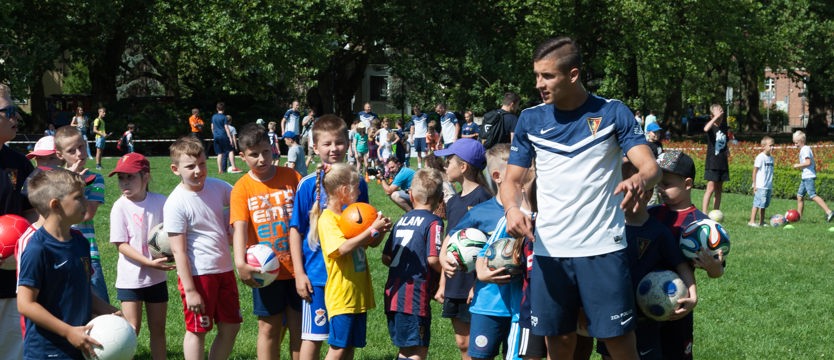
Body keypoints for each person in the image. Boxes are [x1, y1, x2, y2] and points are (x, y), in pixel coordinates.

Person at [501, 36, 660, 360]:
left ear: (573, 74)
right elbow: (511, 180)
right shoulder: (531, 119)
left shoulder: (613, 112)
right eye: (536, 75)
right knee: (559, 341)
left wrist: (639, 179)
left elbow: (650, 166)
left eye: (548, 76)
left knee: (618, 342)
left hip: (603, 249)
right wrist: (511, 208)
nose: (538, 84)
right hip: (549, 251)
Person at [289, 115, 372, 360]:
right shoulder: (307, 185)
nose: (333, 148)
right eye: (326, 144)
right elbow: (296, 230)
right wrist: (299, 273)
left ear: (348, 143)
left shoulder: (358, 183)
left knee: (345, 341)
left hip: (348, 277)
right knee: (313, 337)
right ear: (315, 147)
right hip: (317, 276)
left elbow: (363, 226)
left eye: (338, 142)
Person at [596, 160, 697, 360]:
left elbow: (680, 264)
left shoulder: (658, 232)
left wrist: (692, 295)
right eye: (619, 189)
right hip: (612, 314)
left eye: (630, 190)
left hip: (646, 319)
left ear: (649, 193)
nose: (623, 196)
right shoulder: (606, 227)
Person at [17, 169, 119, 359]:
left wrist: (110, 312)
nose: (86, 202)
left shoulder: (80, 242)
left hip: (79, 347)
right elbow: (25, 304)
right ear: (55, 205)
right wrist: (67, 332)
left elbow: (82, 289)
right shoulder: (38, 249)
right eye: (78, 197)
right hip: (46, 351)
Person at [164, 136, 241, 360]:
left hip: (224, 270)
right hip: (199, 276)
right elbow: (178, 251)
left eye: (202, 164)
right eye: (190, 166)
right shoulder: (176, 203)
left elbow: (240, 200)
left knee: (231, 326)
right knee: (198, 330)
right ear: (175, 169)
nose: (198, 171)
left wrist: (233, 228)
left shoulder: (217, 186)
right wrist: (190, 291)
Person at [231, 124, 303, 360]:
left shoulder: (292, 177)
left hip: (298, 269)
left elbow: (307, 218)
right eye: (253, 154)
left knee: (300, 330)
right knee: (268, 328)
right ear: (242, 157)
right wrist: (240, 263)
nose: (261, 159)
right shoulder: (242, 188)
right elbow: (239, 227)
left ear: (273, 149)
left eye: (266, 152)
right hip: (265, 271)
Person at [308, 163, 391, 360]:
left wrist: (380, 231)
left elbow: (370, 244)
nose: (360, 191)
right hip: (342, 296)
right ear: (344, 190)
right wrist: (370, 231)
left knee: (350, 347)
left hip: (357, 295)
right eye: (357, 187)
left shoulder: (350, 217)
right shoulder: (327, 219)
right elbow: (341, 249)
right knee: (338, 348)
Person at [439, 143, 511, 360]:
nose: (445, 165)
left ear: (463, 166)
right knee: (469, 347)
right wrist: (443, 262)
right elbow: (453, 235)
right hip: (470, 289)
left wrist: (474, 283)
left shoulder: (484, 199)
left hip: (495, 290)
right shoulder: (465, 205)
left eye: (449, 160)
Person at [649, 150, 725, 359]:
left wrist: (713, 267)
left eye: (666, 184)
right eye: (658, 183)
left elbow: (718, 271)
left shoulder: (702, 226)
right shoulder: (652, 214)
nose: (660, 189)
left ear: (688, 183)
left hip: (680, 305)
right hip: (645, 300)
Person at [108, 153, 173, 360]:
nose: (124, 182)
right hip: (130, 279)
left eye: (130, 177)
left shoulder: (162, 202)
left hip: (156, 279)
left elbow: (173, 234)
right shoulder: (119, 206)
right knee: (130, 330)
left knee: (158, 330)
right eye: (121, 178)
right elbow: (121, 244)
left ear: (145, 176)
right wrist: (147, 262)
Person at [382, 168, 445, 360]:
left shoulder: (402, 220)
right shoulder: (435, 223)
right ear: (441, 197)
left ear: (410, 194)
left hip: (393, 294)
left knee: (405, 349)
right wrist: (448, 273)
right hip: (415, 297)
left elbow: (386, 257)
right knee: (418, 350)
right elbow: (433, 258)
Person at [54, 125, 110, 303]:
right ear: (60, 155)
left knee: (99, 308)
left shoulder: (95, 179)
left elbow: (86, 214)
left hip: (87, 252)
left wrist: (78, 184)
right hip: (58, 251)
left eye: (81, 146)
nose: (79, 153)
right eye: (72, 150)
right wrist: (69, 181)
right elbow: (49, 213)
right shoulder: (52, 180)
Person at [0, 89, 34, 359]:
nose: (16, 117)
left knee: (14, 352)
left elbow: (33, 212)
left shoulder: (19, 164)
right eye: (9, 112)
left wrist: (23, 246)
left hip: (13, 281)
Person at [792, 131, 834, 221]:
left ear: (802, 141)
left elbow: (808, 162)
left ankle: (829, 211)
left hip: (808, 177)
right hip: (805, 176)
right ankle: (798, 218)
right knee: (799, 196)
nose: (795, 145)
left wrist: (798, 165)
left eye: (796, 143)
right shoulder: (804, 149)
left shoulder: (805, 149)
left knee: (812, 195)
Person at [702, 104, 729, 212]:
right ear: (712, 115)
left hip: (722, 162)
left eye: (721, 111)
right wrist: (715, 117)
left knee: (719, 189)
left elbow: (724, 140)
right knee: (711, 188)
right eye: (718, 111)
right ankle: (704, 212)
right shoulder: (711, 126)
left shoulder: (724, 127)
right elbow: (705, 129)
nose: (721, 114)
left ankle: (715, 212)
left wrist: (727, 149)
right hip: (712, 162)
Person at [749, 136, 775, 227]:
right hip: (760, 186)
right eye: (770, 146)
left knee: (763, 205)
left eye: (773, 146)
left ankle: (761, 222)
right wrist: (755, 185)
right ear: (763, 146)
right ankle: (752, 221)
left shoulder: (771, 158)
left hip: (768, 186)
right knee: (757, 203)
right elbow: (755, 171)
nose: (772, 147)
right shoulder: (760, 157)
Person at [211, 102, 234, 174]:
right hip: (223, 136)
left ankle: (220, 170)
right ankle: (233, 167)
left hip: (216, 136)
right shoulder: (224, 117)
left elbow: (212, 127)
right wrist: (230, 137)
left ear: (217, 108)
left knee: (219, 153)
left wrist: (214, 135)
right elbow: (226, 128)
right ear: (224, 109)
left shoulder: (213, 117)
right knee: (230, 150)